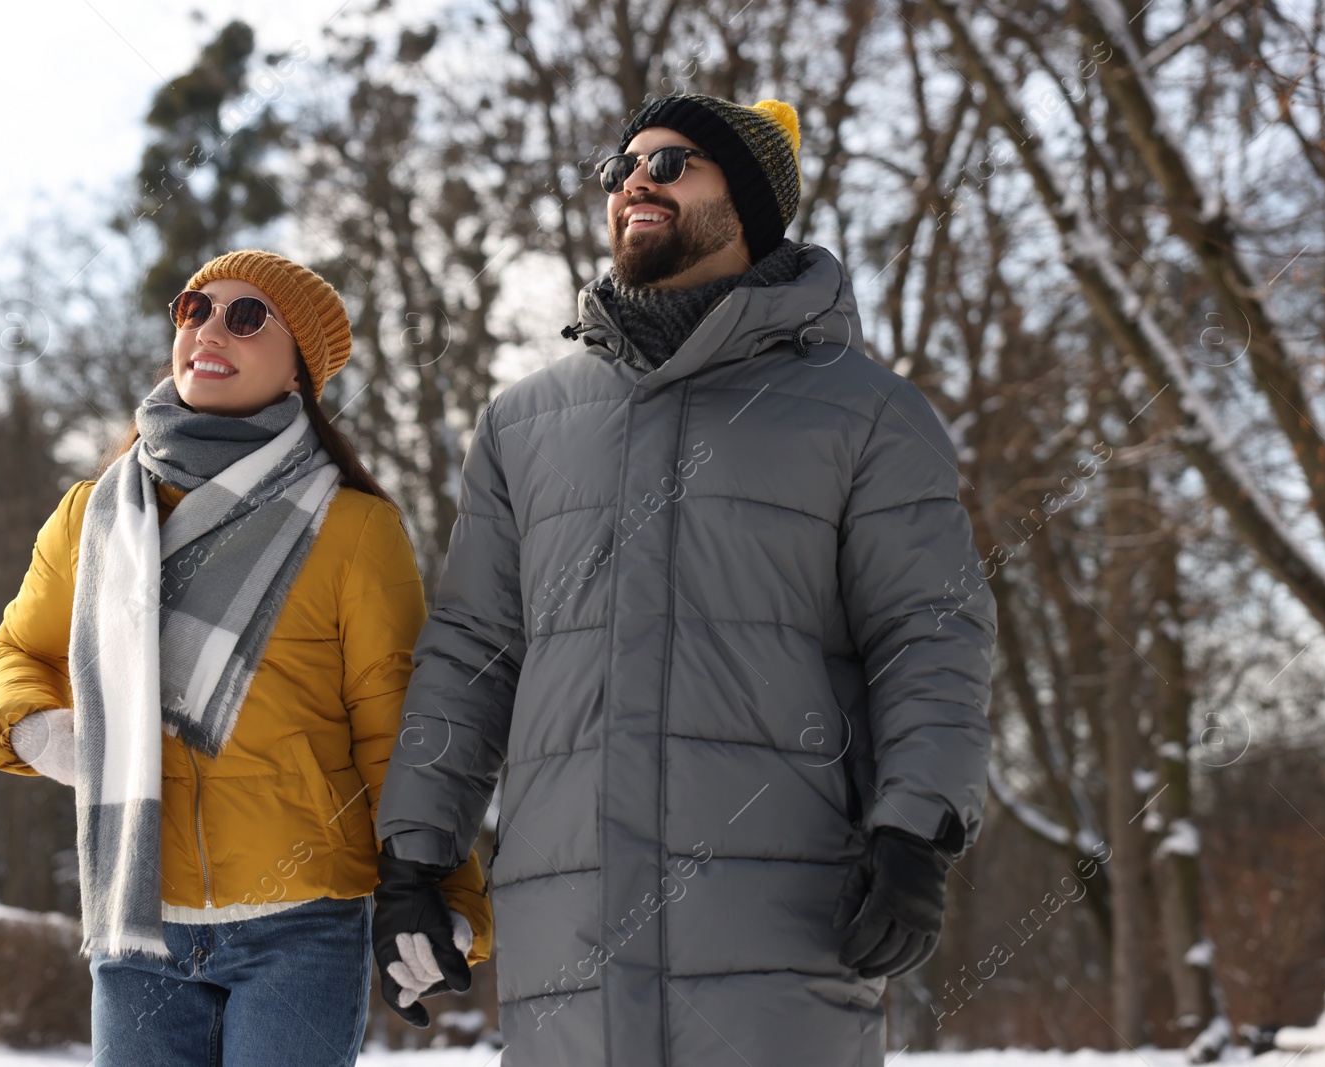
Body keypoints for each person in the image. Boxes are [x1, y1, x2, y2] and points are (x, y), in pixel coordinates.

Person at [370, 95, 997, 1065]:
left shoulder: (863, 412)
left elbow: (930, 631)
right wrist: (414, 851)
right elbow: (470, 650)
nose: (633, 180)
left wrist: (916, 828)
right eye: (623, 164)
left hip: (780, 919)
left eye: (671, 164)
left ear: (745, 202)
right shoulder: (525, 424)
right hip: (565, 928)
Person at [0, 250, 492, 1066]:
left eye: (248, 316)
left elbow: (402, 732)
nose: (209, 328)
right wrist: (42, 730)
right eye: (194, 308)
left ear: (299, 374)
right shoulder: (93, 515)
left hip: (300, 925)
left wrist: (437, 890)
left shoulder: (355, 530)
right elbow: (20, 651)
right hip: (137, 916)